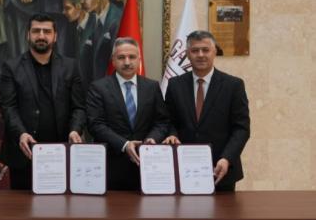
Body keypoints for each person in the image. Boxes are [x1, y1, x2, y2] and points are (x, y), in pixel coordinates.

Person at [0, 13, 86, 190]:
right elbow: (8, 107)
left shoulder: (70, 66)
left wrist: (75, 130)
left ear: (55, 36)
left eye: (47, 31)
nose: (41, 36)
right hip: (25, 151)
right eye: (36, 31)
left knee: (60, 205)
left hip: (61, 151)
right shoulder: (12, 67)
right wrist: (21, 133)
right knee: (21, 205)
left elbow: (79, 107)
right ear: (28, 35)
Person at [164, 30, 250, 191]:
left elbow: (241, 129)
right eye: (195, 50)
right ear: (187, 54)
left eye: (205, 50)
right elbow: (168, 121)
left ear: (214, 52)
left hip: (221, 170)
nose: (200, 55)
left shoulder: (233, 85)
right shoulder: (175, 84)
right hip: (183, 169)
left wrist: (227, 158)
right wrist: (172, 134)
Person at [86, 38, 170, 190]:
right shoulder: (98, 88)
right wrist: (124, 144)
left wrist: (152, 139)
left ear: (139, 59)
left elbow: (162, 121)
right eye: (121, 57)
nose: (127, 62)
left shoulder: (152, 87)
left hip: (147, 167)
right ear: (113, 61)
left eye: (132, 57)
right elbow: (96, 125)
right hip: (111, 168)